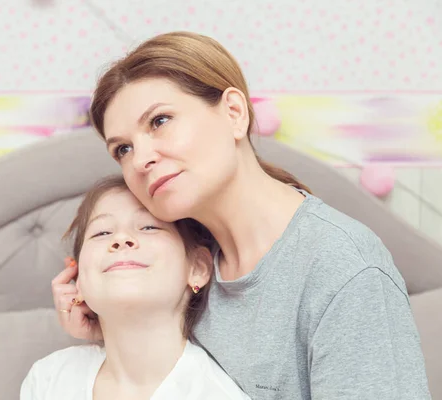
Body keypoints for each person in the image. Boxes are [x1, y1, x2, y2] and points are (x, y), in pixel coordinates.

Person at [51, 31, 431, 399]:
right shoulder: (180, 261)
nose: (142, 159)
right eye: (123, 150)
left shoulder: (345, 270)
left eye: (160, 121)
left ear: (234, 113)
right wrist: (110, 328)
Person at [22, 176, 251, 400]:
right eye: (102, 232)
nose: (121, 238)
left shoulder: (216, 392)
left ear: (197, 268)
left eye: (149, 227)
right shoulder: (48, 378)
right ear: (78, 278)